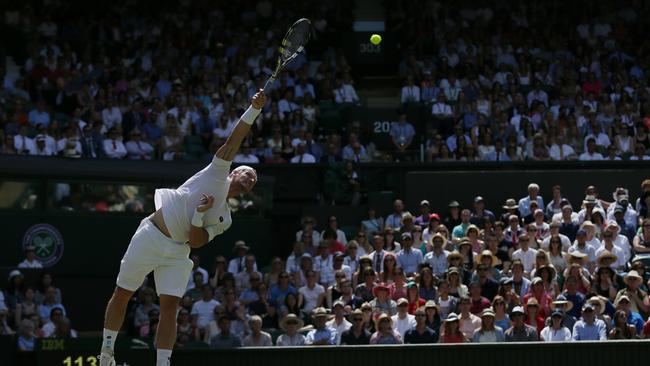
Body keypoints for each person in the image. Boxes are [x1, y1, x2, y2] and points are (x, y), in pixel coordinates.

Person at [99, 90, 265, 366]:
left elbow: (197, 241)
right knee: (123, 292)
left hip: (178, 252)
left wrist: (200, 216)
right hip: (152, 234)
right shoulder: (216, 173)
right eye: (248, 172)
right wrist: (254, 109)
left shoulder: (226, 218)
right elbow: (234, 140)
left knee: (170, 306)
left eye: (254, 179)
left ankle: (163, 363)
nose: (251, 178)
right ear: (235, 172)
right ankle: (106, 354)